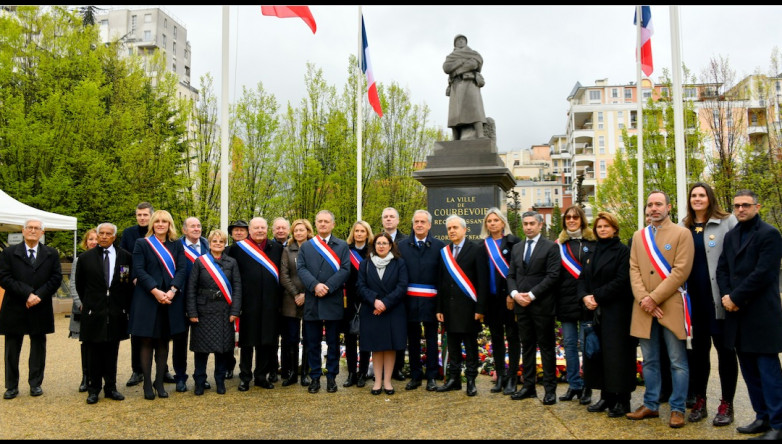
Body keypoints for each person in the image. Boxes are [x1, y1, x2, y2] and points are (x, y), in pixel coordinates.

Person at [718, 189, 782, 440]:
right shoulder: (732, 235)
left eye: (746, 205)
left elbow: (764, 273)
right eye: (736, 206)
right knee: (750, 372)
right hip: (737, 316)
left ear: (758, 206)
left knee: (768, 372)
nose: (741, 209)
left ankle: (778, 423)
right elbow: (723, 269)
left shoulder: (770, 234)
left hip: (761, 315)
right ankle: (762, 417)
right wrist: (726, 296)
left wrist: (735, 297)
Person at [626, 190, 694, 428]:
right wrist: (645, 299)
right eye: (650, 205)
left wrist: (653, 298)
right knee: (650, 361)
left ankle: (677, 408)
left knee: (677, 360)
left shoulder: (682, 234)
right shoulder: (638, 236)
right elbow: (634, 270)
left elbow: (681, 271)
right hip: (643, 308)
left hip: (670, 306)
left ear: (669, 207)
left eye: (658, 204)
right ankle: (651, 405)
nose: (653, 208)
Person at [680, 182, 738, 426]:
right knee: (698, 354)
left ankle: (726, 404)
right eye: (693, 195)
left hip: (720, 301)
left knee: (725, 353)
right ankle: (700, 400)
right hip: (695, 303)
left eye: (702, 195)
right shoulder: (684, 227)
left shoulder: (727, 222)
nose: (697, 199)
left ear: (709, 198)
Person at [578, 212, 637, 418]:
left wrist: (596, 296)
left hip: (616, 311)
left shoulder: (623, 251)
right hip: (596, 311)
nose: (602, 229)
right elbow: (582, 278)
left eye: (606, 226)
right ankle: (606, 396)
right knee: (599, 356)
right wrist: (585, 296)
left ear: (614, 228)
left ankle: (622, 400)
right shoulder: (592, 251)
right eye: (599, 227)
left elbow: (622, 280)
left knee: (618, 356)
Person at [128, 210, 188, 400]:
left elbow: (182, 270)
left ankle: (159, 382)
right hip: (147, 298)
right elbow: (139, 270)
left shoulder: (177, 245)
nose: (161, 224)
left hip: (170, 299)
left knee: (163, 341)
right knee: (146, 341)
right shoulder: (142, 244)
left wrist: (172, 290)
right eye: (157, 221)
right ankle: (146, 382)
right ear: (152, 224)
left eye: (164, 221)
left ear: (170, 224)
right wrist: (155, 291)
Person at [0, 217, 63, 400]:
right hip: (15, 306)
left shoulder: (51, 253)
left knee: (38, 347)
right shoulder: (9, 253)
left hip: (40, 306)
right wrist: (27, 294)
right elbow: (4, 277)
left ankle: (35, 384)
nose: (33, 231)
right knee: (12, 349)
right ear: (23, 230)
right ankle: (11, 386)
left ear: (42, 232)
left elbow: (56, 278)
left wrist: (39, 295)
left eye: (37, 228)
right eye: (29, 227)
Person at [75, 223, 133, 404]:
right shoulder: (86, 258)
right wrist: (91, 303)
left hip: (115, 311)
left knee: (111, 351)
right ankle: (93, 389)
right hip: (94, 312)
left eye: (108, 234)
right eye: (101, 233)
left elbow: (126, 282)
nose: (104, 236)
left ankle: (111, 387)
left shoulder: (125, 257)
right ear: (97, 235)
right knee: (93, 352)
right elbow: (80, 284)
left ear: (114, 237)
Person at [506, 211, 560, 405]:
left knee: (546, 348)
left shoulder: (551, 247)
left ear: (540, 225)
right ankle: (528, 386)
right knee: (526, 347)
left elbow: (553, 276)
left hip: (542, 306)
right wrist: (514, 294)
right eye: (525, 223)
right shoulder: (518, 248)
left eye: (531, 223)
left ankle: (549, 390)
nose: (528, 227)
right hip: (522, 306)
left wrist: (532, 295)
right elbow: (511, 275)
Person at [226, 217, 283, 391]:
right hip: (247, 302)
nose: (259, 230)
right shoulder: (237, 249)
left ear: (267, 229)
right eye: (256, 227)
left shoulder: (277, 248)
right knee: (247, 342)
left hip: (270, 303)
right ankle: (245, 377)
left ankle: (261, 376)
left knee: (266, 341)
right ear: (249, 231)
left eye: (262, 227)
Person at [297, 210, 350, 394]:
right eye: (319, 221)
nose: (323, 224)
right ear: (316, 223)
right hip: (313, 300)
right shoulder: (307, 246)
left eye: (327, 221)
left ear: (333, 224)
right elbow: (301, 268)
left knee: (334, 342)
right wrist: (315, 286)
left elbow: (345, 269)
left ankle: (331, 377)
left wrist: (327, 286)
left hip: (332, 299)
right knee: (312, 342)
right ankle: (315, 377)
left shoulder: (342, 246)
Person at [435, 214, 488, 397]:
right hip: (449, 309)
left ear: (465, 230)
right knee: (454, 346)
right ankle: (454, 379)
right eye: (449, 228)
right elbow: (441, 282)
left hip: (469, 309)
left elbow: (482, 281)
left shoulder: (477, 250)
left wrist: (480, 308)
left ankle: (471, 380)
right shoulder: (445, 252)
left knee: (471, 346)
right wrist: (439, 308)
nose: (452, 231)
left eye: (455, 227)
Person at [186, 229, 242, 396]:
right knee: (201, 350)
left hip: (224, 311)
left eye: (221, 241)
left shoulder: (232, 262)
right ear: (209, 243)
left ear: (225, 244)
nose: (218, 244)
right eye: (214, 241)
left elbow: (237, 288)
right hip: (203, 311)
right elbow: (191, 288)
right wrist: (192, 312)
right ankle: (200, 381)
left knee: (222, 349)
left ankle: (219, 380)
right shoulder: (200, 262)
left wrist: (235, 310)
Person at [397, 210, 445, 392]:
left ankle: (432, 376)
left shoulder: (439, 247)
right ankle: (415, 375)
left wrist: (441, 305)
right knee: (413, 340)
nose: (419, 225)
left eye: (423, 222)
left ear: (429, 225)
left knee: (432, 340)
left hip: (432, 302)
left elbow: (442, 278)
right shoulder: (402, 246)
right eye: (416, 221)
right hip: (409, 302)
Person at [357, 233, 409, 395]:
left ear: (390, 245)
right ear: (374, 245)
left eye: (384, 243)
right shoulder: (365, 264)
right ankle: (377, 382)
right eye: (378, 243)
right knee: (377, 347)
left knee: (390, 347)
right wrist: (375, 301)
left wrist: (385, 303)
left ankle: (387, 382)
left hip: (393, 310)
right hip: (372, 310)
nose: (381, 246)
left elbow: (402, 286)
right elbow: (360, 286)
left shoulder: (399, 263)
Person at [120, 202, 165, 388]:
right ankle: (137, 370)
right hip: (136, 288)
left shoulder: (160, 233)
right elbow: (124, 260)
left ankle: (164, 369)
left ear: (152, 216)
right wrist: (128, 279)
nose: (142, 218)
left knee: (162, 330)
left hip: (159, 288)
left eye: (145, 215)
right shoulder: (129, 234)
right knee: (138, 332)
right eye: (139, 215)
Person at [477, 208, 522, 395]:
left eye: (496, 220)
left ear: (503, 223)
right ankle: (501, 376)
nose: (492, 223)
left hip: (508, 299)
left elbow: (518, 271)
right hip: (492, 300)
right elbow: (481, 276)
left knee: (512, 338)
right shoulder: (482, 246)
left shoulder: (514, 243)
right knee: (495, 339)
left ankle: (512, 377)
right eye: (489, 221)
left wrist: (513, 294)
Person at [554, 206, 596, 404]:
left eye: (575, 217)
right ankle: (574, 385)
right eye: (568, 217)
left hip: (587, 301)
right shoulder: (558, 245)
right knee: (570, 345)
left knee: (586, 345)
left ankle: (588, 386)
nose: (571, 220)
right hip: (565, 301)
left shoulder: (592, 242)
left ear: (581, 220)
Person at [172, 216, 209, 393]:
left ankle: (200, 376)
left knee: (202, 340)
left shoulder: (208, 245)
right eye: (192, 226)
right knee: (180, 341)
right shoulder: (176, 246)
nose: (196, 229)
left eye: (198, 226)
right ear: (184, 230)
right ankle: (180, 377)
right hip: (180, 299)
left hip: (203, 301)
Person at [279, 219, 314, 387]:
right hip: (290, 300)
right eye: (296, 231)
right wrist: (296, 294)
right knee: (291, 338)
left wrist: (306, 295)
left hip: (310, 299)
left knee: (308, 337)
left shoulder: (314, 249)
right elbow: (284, 275)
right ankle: (292, 372)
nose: (298, 233)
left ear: (308, 231)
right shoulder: (287, 250)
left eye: (302, 230)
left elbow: (318, 273)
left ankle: (305, 373)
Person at [342, 220, 374, 388]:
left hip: (367, 299)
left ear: (367, 233)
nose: (359, 234)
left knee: (365, 338)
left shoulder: (373, 251)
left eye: (363, 231)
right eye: (357, 231)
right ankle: (351, 373)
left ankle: (362, 373)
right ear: (353, 233)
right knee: (350, 338)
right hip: (349, 299)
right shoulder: (346, 251)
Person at [68, 228, 98, 393]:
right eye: (90, 239)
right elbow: (73, 284)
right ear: (86, 242)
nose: (93, 242)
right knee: (86, 343)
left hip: (101, 309)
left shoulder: (106, 259)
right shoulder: (79, 260)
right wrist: (81, 304)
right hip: (83, 308)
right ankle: (86, 377)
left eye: (96, 239)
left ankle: (99, 376)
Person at [380, 207, 408, 381]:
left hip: (398, 294)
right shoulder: (376, 239)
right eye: (385, 217)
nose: (389, 219)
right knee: (382, 332)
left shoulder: (405, 241)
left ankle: (397, 368)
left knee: (398, 333)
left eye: (392, 217)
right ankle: (381, 369)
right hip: (380, 296)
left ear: (397, 221)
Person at [443, 34, 486, 140]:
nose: (461, 41)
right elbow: (446, 68)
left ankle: (480, 134)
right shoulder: (451, 56)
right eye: (458, 40)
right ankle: (455, 136)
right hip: (456, 85)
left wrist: (457, 69)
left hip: (470, 83)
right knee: (455, 113)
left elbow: (475, 64)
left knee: (475, 109)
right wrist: (461, 62)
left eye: (463, 40)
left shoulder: (473, 53)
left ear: (466, 42)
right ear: (455, 44)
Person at [224, 219, 248, 378]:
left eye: (242, 230)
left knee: (246, 334)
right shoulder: (225, 250)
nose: (239, 232)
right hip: (228, 297)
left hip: (248, 297)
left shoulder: (253, 250)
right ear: (231, 233)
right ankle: (228, 365)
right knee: (227, 334)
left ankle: (245, 367)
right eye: (236, 230)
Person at [269, 216, 291, 382]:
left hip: (290, 298)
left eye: (283, 228)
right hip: (272, 298)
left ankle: (286, 369)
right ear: (273, 230)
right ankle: (271, 368)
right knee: (271, 336)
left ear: (288, 230)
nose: (281, 231)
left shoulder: (294, 246)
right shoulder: (267, 247)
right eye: (278, 228)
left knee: (288, 336)